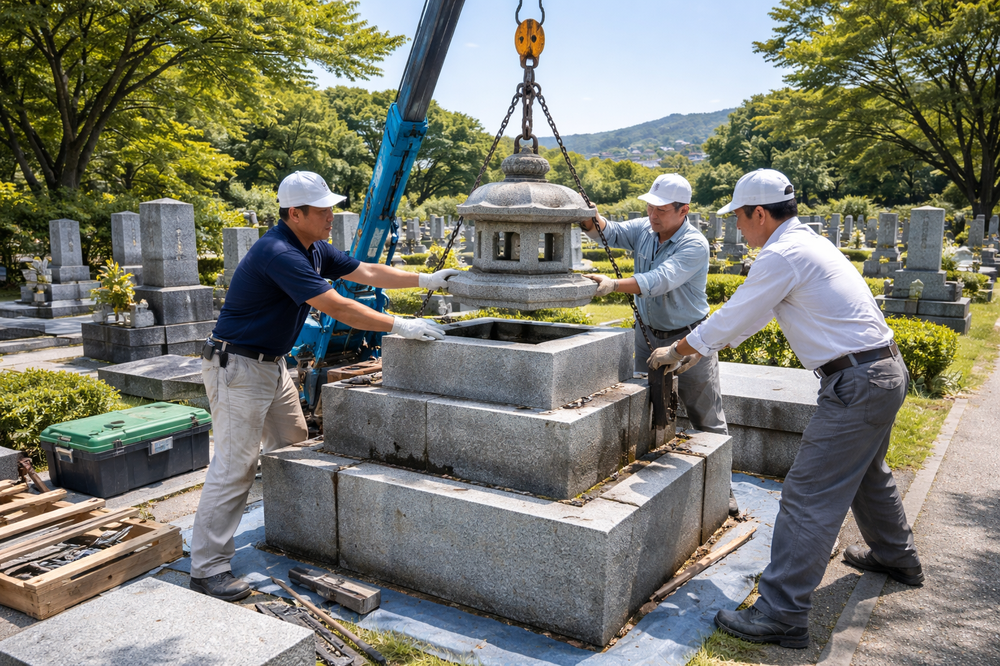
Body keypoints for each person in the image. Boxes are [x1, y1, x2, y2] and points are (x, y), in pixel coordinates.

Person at [652, 169, 922, 649]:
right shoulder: (806, 244)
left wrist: (680, 349)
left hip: (857, 382)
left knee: (807, 495)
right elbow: (750, 318)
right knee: (866, 472)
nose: (736, 227)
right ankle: (895, 555)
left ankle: (781, 614)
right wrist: (700, 347)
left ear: (759, 213)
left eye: (738, 217)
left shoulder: (782, 253)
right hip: (881, 371)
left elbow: (736, 312)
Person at [189, 171, 459, 600]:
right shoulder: (279, 253)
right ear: (295, 214)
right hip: (238, 367)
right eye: (322, 209)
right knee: (235, 464)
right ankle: (207, 567)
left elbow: (365, 270)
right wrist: (400, 324)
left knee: (293, 442)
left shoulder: (312, 247)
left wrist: (424, 280)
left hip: (270, 365)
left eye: (331, 207)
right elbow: (338, 306)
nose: (331, 215)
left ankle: (286, 528)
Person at [579, 173, 738, 515]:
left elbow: (660, 280)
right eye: (650, 207)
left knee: (705, 412)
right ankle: (650, 474)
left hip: (690, 336)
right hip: (648, 332)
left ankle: (723, 490)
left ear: (684, 210)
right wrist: (591, 217)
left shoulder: (693, 244)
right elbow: (613, 232)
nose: (653, 215)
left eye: (661, 210)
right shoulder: (645, 229)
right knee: (645, 401)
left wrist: (613, 285)